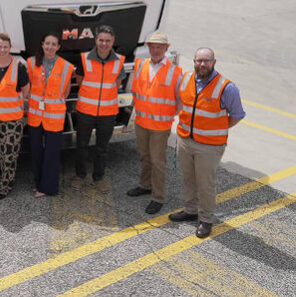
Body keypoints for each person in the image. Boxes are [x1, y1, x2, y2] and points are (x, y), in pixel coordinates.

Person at [169, 48, 245, 239]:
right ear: (193, 61)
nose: (202, 65)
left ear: (214, 62)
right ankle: (190, 210)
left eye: (206, 61)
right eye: (198, 61)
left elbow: (236, 116)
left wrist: (215, 128)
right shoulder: (186, 80)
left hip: (209, 146)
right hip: (186, 140)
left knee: (206, 184)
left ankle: (206, 219)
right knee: (188, 179)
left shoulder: (227, 88)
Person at [127, 32, 182, 215]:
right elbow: (136, 92)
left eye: (160, 47)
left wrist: (164, 115)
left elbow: (179, 102)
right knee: (144, 156)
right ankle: (145, 185)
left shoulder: (175, 71)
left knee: (158, 162)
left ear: (166, 49)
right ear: (148, 48)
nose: (156, 50)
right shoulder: (141, 65)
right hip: (142, 122)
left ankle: (158, 197)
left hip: (160, 126)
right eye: (152, 46)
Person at [72, 25, 125, 193]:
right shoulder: (84, 58)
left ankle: (98, 178)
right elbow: (80, 81)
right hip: (85, 111)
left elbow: (117, 84)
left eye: (108, 41)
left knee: (102, 148)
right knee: (81, 145)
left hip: (107, 113)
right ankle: (80, 176)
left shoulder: (119, 61)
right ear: (95, 40)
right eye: (101, 40)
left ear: (113, 41)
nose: (104, 44)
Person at [26, 32, 74, 198]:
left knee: (52, 154)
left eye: (54, 44)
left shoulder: (67, 66)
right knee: (36, 152)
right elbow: (29, 87)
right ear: (42, 44)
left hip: (54, 117)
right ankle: (39, 184)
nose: (50, 47)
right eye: (47, 43)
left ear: (58, 47)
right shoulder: (31, 62)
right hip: (35, 115)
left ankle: (49, 188)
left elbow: (66, 91)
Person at [0, 33, 30, 200]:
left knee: (8, 154)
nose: (2, 50)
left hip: (12, 121)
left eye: (5, 47)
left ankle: (6, 185)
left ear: (10, 48)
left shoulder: (19, 68)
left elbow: (25, 91)